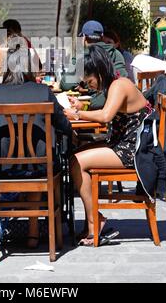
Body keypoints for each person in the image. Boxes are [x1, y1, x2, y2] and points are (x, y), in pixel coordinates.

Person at [0, 35, 72, 249]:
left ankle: (5, 237)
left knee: (27, 165)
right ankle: (35, 234)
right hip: (40, 167)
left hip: (0, 169)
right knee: (36, 166)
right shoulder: (43, 92)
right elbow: (64, 127)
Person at [64, 45, 153, 246]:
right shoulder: (116, 84)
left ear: (99, 70)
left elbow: (105, 116)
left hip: (133, 151)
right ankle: (93, 218)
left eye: (90, 80)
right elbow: (107, 109)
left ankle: (95, 222)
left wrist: (77, 114)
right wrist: (82, 106)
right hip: (123, 144)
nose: (89, 85)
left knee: (77, 162)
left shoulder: (120, 85)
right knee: (75, 154)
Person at [61, 20, 128, 110]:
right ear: (102, 36)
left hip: (89, 105)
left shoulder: (82, 55)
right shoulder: (116, 54)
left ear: (83, 37)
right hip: (113, 105)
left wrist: (83, 84)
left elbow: (66, 84)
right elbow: (121, 80)